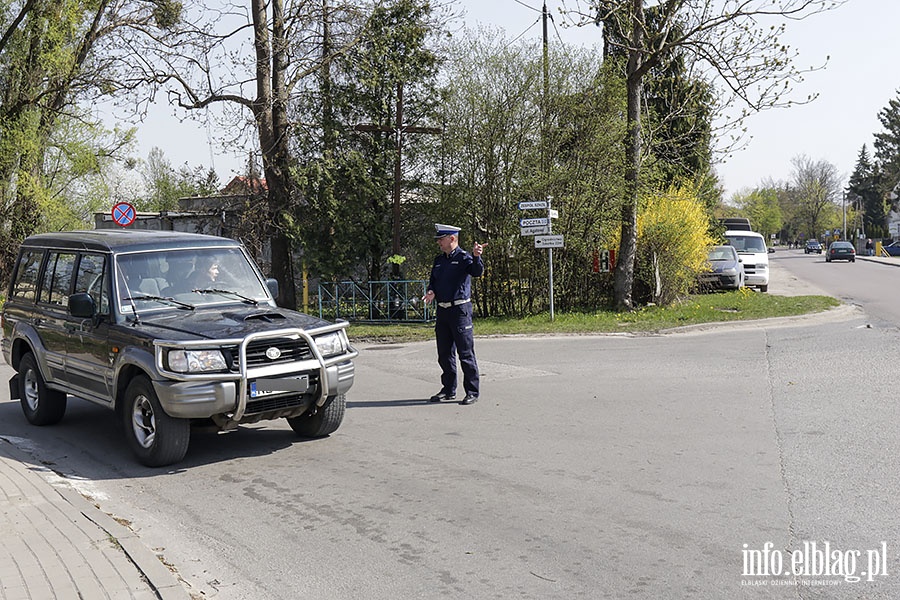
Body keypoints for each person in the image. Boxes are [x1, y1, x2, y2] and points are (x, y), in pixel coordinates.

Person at [423, 223, 486, 405]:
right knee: (444, 354)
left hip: (459, 311)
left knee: (465, 353)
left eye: (441, 240)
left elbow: (477, 272)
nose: (439, 243)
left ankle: (472, 392)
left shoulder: (465, 257)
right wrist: (431, 291)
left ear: (452, 239)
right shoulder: (439, 260)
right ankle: (449, 389)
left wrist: (477, 257)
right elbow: (433, 281)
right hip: (442, 311)